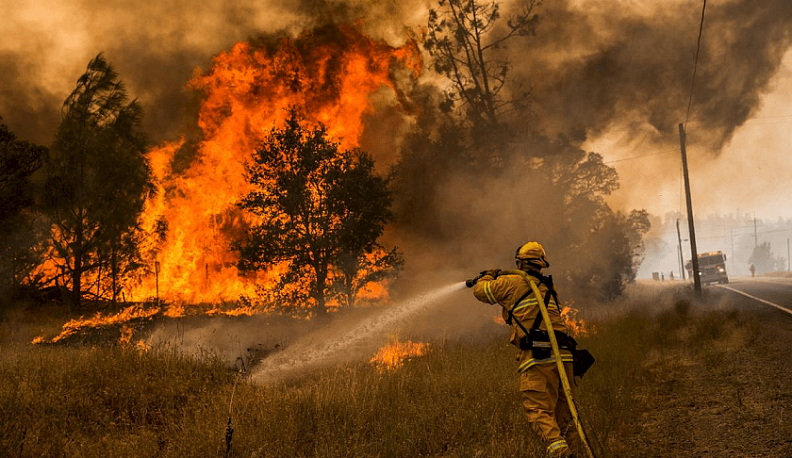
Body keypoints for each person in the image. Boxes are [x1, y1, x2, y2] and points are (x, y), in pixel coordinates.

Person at [471, 241, 577, 458]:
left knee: (538, 409)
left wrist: (486, 276)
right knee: (564, 414)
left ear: (519, 262)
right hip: (564, 356)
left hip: (538, 357)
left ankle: (561, 453)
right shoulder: (549, 286)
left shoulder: (512, 281)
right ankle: (574, 450)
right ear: (540, 263)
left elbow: (481, 292)